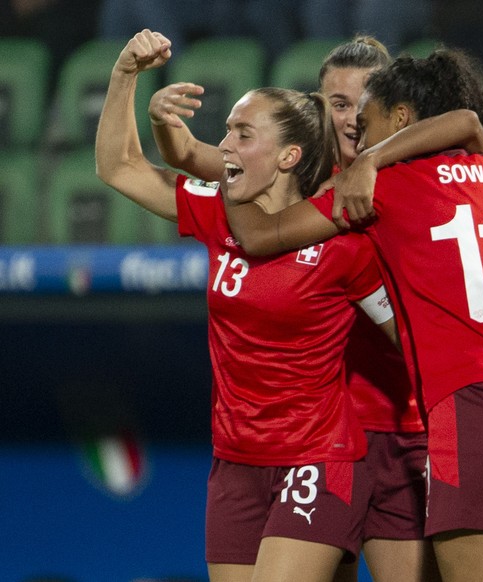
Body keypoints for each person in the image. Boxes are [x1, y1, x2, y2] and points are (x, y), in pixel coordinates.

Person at [147, 35, 483, 582]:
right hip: (324, 438)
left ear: (390, 109)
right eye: (334, 103)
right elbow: (196, 159)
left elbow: (467, 126)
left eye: (360, 103)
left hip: (407, 430)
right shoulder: (305, 183)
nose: (349, 118)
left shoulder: (409, 189)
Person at [221, 50, 483, 582]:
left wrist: (228, 169)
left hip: (467, 408)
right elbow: (468, 126)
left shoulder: (384, 189)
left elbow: (258, 236)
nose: (359, 141)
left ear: (401, 120)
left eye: (368, 126)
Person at [96, 29, 398, 582]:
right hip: (234, 463)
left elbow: (405, 337)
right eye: (228, 131)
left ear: (288, 155)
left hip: (317, 458)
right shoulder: (218, 213)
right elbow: (119, 168)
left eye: (241, 133)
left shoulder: (346, 242)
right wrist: (125, 77)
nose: (225, 145)